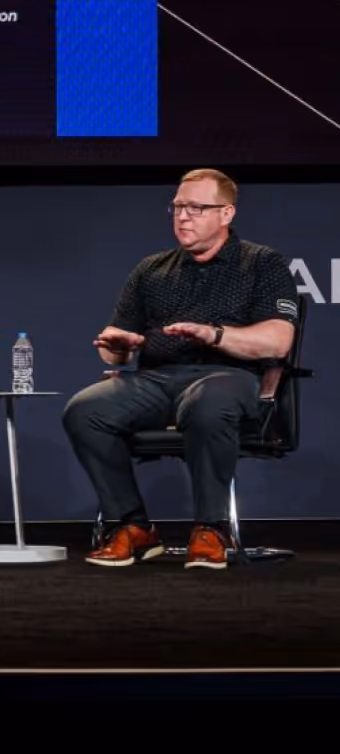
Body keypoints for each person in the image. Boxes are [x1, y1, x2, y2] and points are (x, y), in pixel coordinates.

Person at [63, 169, 299, 570]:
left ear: (226, 214)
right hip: (157, 379)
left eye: (196, 208)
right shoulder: (152, 269)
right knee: (86, 410)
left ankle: (211, 528)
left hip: (230, 376)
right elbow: (116, 355)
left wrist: (212, 334)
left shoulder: (262, 263)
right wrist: (118, 348)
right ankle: (132, 527)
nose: (183, 216)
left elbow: (278, 341)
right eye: (177, 207)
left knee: (207, 402)